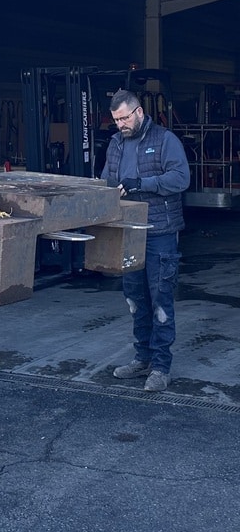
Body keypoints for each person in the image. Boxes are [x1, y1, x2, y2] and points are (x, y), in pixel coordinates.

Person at [101, 89, 190, 392]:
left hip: (160, 233)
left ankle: (161, 367)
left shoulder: (165, 140)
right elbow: (107, 182)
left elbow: (181, 178)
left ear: (138, 112)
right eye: (116, 120)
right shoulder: (115, 144)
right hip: (129, 232)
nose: (121, 124)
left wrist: (143, 184)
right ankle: (143, 359)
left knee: (160, 300)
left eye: (124, 118)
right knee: (135, 299)